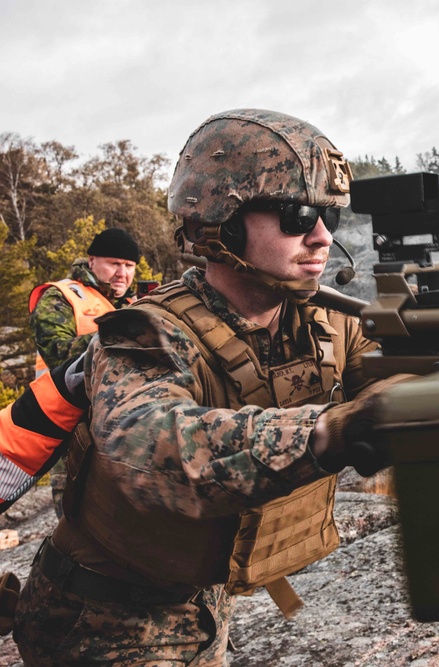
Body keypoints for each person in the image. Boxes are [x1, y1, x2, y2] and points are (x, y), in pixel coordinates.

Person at [13, 109, 407, 666]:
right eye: (296, 215)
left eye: (328, 219)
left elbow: (402, 376)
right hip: (102, 623)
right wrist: (332, 430)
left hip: (205, 602)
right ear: (220, 222)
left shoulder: (324, 322)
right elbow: (152, 450)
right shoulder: (144, 333)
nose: (320, 237)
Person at [27, 227, 140, 517]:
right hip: (70, 429)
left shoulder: (130, 304)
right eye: (114, 264)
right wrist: (120, 332)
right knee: (73, 522)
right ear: (91, 261)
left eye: (129, 266)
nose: (122, 273)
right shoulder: (60, 296)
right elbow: (56, 351)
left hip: (122, 430)